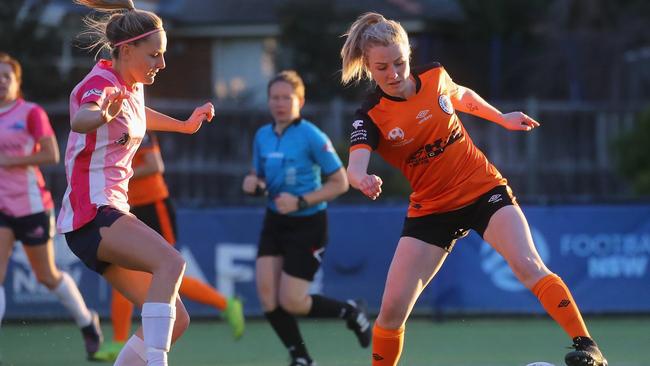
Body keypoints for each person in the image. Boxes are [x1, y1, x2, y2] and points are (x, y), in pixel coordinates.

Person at [340, 12, 607, 366]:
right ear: (369, 68)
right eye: (382, 68)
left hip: (483, 190)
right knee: (390, 312)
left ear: (409, 56)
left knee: (528, 265)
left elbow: (460, 95)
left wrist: (501, 117)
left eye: (399, 63)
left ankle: (589, 348)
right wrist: (362, 178)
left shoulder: (434, 76)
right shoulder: (371, 116)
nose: (393, 74)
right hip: (431, 210)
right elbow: (354, 166)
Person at [57, 1, 215, 365]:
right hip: (93, 214)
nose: (161, 64)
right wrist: (99, 115)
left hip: (103, 215)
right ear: (127, 50)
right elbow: (83, 117)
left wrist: (183, 124)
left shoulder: (131, 83)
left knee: (177, 321)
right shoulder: (102, 83)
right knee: (171, 264)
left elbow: (135, 115)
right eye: (154, 55)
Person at [242, 70, 371, 366]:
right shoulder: (262, 135)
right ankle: (302, 358)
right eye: (274, 97)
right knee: (267, 297)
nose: (280, 103)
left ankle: (352, 312)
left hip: (308, 224)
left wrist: (301, 201)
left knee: (292, 301)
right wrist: (252, 183)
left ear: (300, 100)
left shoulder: (312, 135)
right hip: (275, 221)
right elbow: (258, 175)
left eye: (287, 98)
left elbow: (339, 182)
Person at [93, 131, 245, 361]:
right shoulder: (103, 126)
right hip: (125, 209)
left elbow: (155, 165)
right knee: (126, 272)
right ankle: (119, 339)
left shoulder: (135, 124)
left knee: (167, 273)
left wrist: (119, 174)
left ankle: (225, 303)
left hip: (153, 206)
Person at [0, 52, 103, 359]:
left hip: (31, 204)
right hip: (1, 208)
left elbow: (51, 155)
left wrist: (12, 160)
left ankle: (87, 323)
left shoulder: (30, 113)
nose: (1, 81)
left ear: (17, 83)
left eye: (7, 76)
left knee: (47, 276)